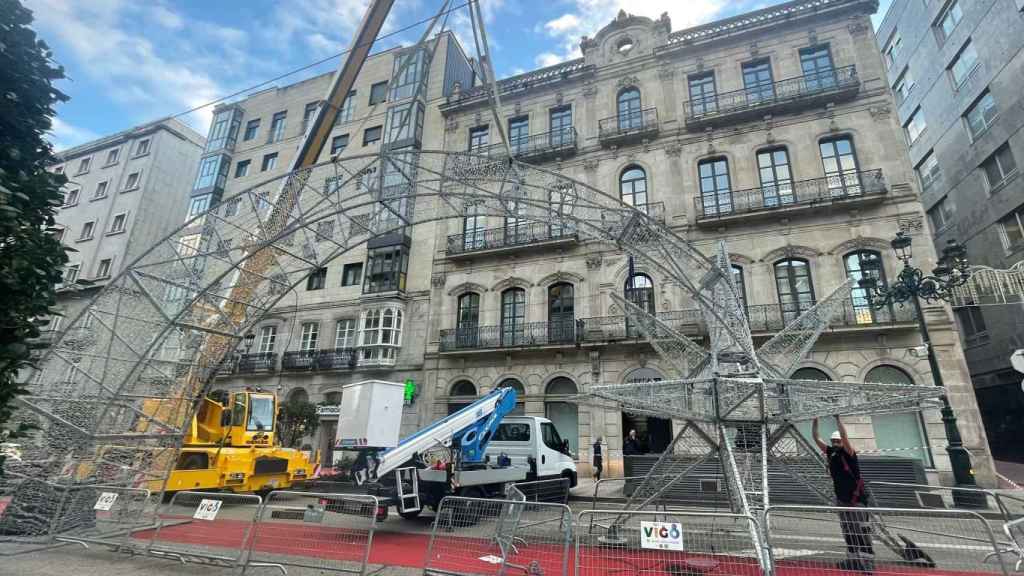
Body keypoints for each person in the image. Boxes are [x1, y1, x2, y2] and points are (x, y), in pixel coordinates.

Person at [813, 415, 875, 570]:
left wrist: (837, 419)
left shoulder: (849, 454)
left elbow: (845, 436)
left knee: (860, 530)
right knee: (848, 530)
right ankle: (853, 560)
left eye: (837, 441)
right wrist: (815, 422)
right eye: (833, 441)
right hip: (842, 499)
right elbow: (816, 438)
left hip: (856, 500)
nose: (835, 443)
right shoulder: (831, 453)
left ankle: (867, 563)